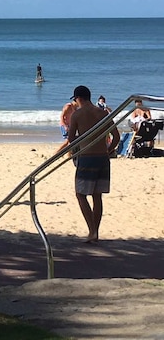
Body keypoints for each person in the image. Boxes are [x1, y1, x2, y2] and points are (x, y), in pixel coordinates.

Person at [66, 85, 119, 243]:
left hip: (87, 157)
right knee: (97, 196)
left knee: (80, 194)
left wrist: (81, 144)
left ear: (79, 98)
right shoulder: (103, 113)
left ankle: (92, 231)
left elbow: (71, 139)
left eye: (75, 99)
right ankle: (95, 232)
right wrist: (108, 150)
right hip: (102, 158)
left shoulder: (77, 115)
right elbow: (116, 137)